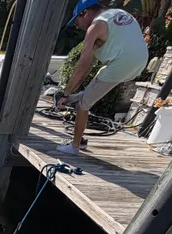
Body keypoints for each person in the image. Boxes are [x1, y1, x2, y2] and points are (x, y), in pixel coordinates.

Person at [56, 0, 148, 155]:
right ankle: (77, 100)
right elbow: (91, 61)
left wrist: (65, 93)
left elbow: (83, 65)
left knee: (83, 106)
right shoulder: (119, 13)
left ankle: (75, 147)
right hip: (141, 62)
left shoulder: (95, 26)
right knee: (91, 90)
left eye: (77, 21)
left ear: (84, 13)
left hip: (121, 64)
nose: (77, 26)